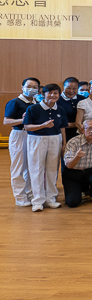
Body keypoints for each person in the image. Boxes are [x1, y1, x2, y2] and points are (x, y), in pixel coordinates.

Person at [23, 83, 69, 212]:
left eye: (55, 93)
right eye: (50, 92)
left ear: (59, 95)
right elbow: (27, 127)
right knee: (36, 169)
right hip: (37, 139)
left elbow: (62, 128)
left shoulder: (60, 109)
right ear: (43, 94)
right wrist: (43, 125)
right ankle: (37, 200)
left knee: (52, 170)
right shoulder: (33, 108)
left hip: (55, 139)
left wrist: (64, 144)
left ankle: (51, 199)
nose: (52, 95)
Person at [4, 77, 39, 206]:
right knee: (18, 167)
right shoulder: (15, 102)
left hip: (33, 135)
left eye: (35, 87)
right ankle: (20, 197)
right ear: (22, 87)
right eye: (29, 86)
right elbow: (6, 121)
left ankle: (29, 194)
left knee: (31, 167)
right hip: (19, 134)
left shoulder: (36, 102)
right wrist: (22, 120)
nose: (32, 89)